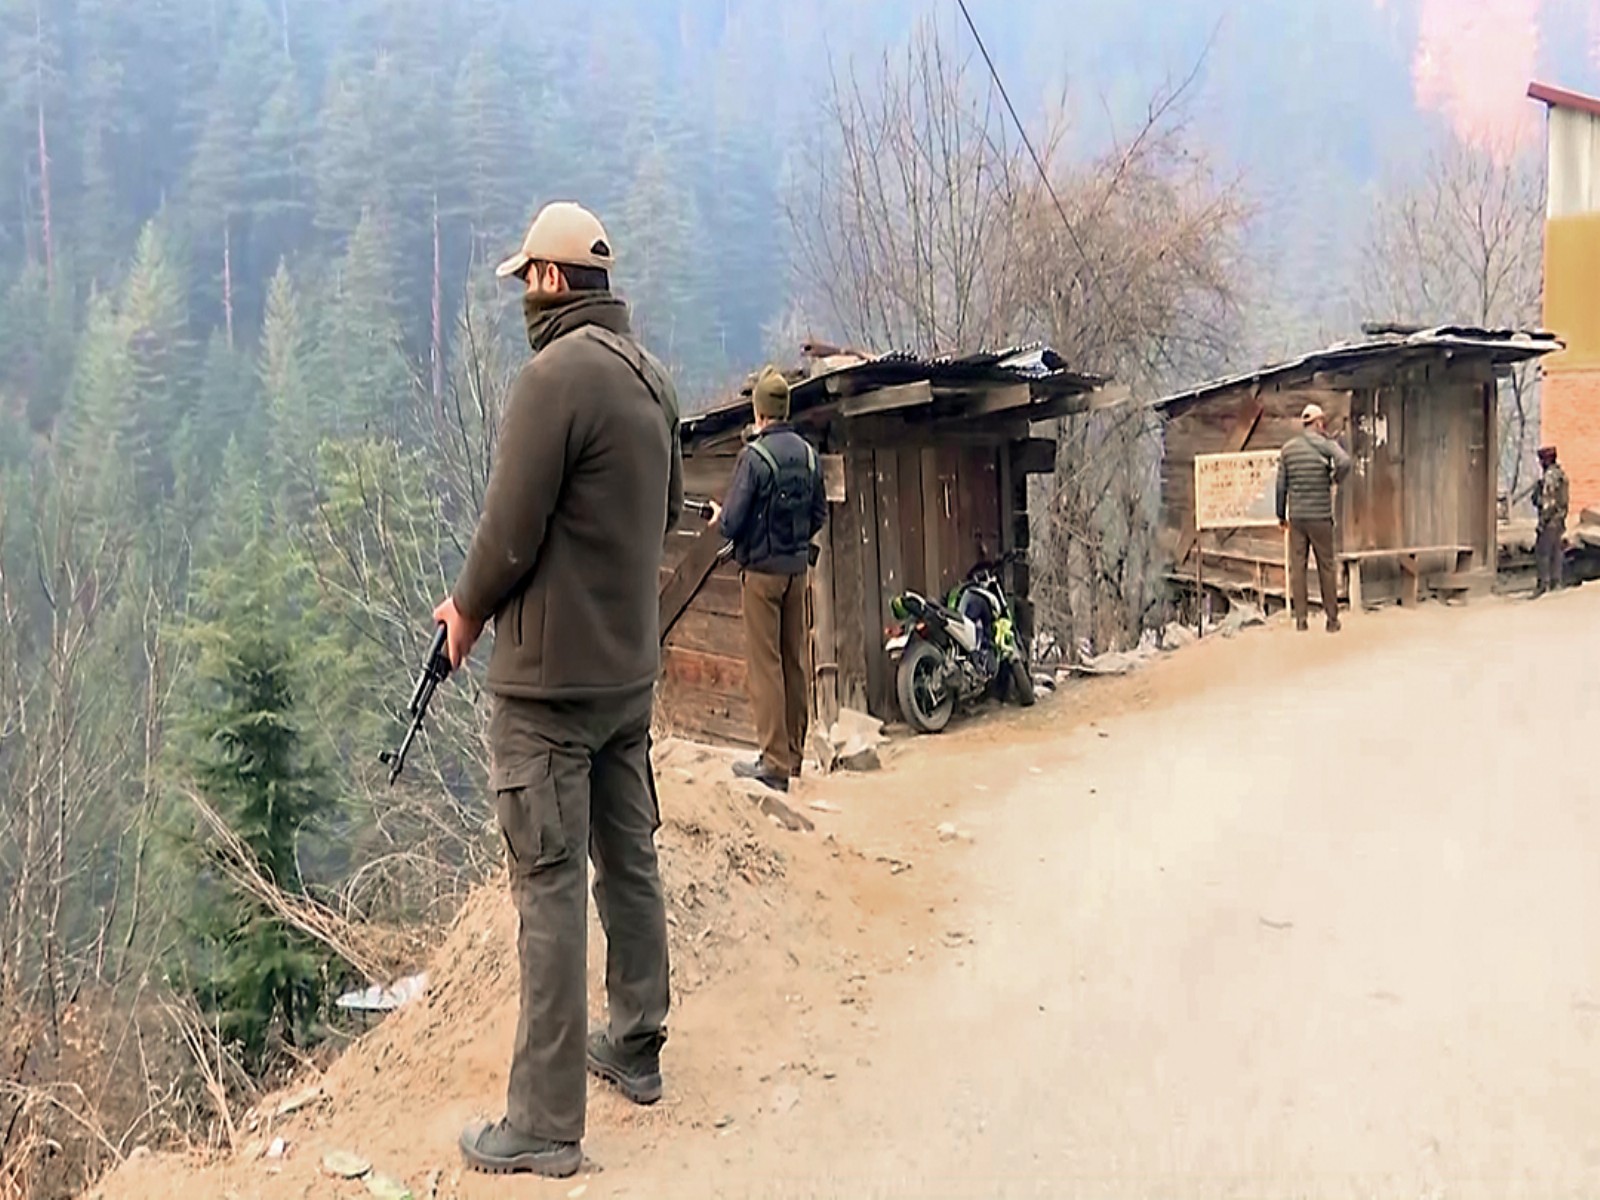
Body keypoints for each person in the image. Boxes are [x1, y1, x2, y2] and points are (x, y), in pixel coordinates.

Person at [433, 201, 683, 1179]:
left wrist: (462, 615)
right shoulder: (652, 382)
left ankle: (542, 1122)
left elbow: (506, 534)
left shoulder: (550, 381)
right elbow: (663, 517)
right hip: (629, 675)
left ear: (548, 281)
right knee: (630, 859)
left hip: (546, 693)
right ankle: (638, 1038)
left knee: (546, 887)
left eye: (521, 283)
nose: (519, 302)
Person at [707, 367, 827, 794]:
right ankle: (794, 755)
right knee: (794, 660)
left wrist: (721, 517)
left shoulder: (754, 458)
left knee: (766, 665)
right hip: (797, 572)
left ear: (759, 412)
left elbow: (733, 522)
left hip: (760, 575)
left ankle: (772, 763)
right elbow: (818, 515)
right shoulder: (809, 455)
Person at [1276, 402, 1352, 633]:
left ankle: (1301, 620)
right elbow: (1345, 462)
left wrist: (1281, 515)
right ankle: (1332, 620)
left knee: (1298, 567)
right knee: (1326, 566)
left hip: (1297, 517)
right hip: (1320, 516)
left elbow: (1281, 487)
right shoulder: (1325, 444)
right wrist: (1334, 478)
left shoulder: (1288, 449)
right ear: (1318, 423)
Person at [1532, 444, 1569, 597]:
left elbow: (1548, 502)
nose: (1540, 463)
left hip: (1550, 521)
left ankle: (1543, 585)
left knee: (1542, 553)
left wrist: (1542, 523)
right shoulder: (1562, 474)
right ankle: (1556, 582)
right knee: (1556, 552)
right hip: (1560, 519)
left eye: (1541, 460)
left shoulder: (1549, 477)